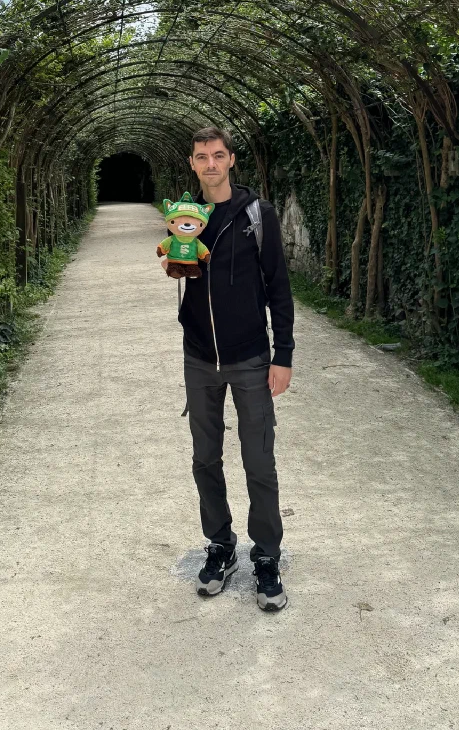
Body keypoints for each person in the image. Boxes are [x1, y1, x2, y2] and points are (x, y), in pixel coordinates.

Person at [162, 125, 294, 611]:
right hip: (199, 356)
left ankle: (266, 556)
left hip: (251, 358)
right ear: (192, 164)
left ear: (232, 160)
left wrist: (283, 355)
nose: (211, 164)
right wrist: (174, 264)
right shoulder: (182, 215)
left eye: (219, 155)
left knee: (259, 461)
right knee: (205, 458)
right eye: (202, 157)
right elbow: (187, 271)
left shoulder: (258, 215)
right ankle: (220, 546)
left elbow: (278, 288)